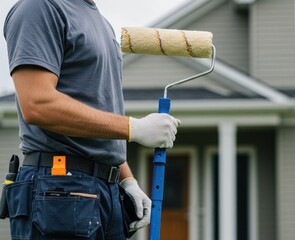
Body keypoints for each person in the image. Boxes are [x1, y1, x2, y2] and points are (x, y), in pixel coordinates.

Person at [3, 0, 180, 239]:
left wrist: (127, 180)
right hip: (60, 190)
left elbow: (97, 110)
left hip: (105, 190)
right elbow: (37, 104)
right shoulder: (41, 7)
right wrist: (133, 127)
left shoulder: (100, 22)